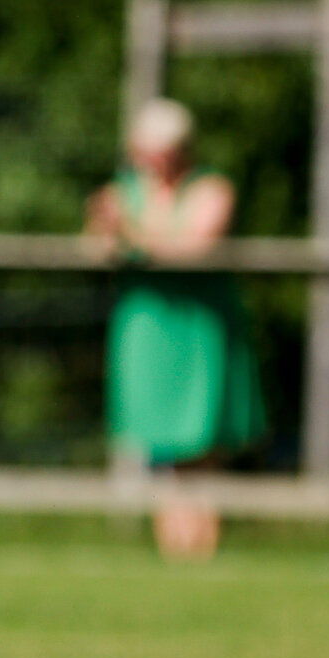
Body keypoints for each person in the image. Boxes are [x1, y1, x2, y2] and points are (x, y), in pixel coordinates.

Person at [86, 98, 265, 561]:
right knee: (159, 445)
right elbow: (97, 245)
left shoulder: (211, 189)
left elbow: (195, 247)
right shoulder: (123, 190)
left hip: (199, 328)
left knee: (203, 441)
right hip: (147, 328)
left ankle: (202, 548)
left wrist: (131, 233)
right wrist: (107, 231)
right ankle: (173, 551)